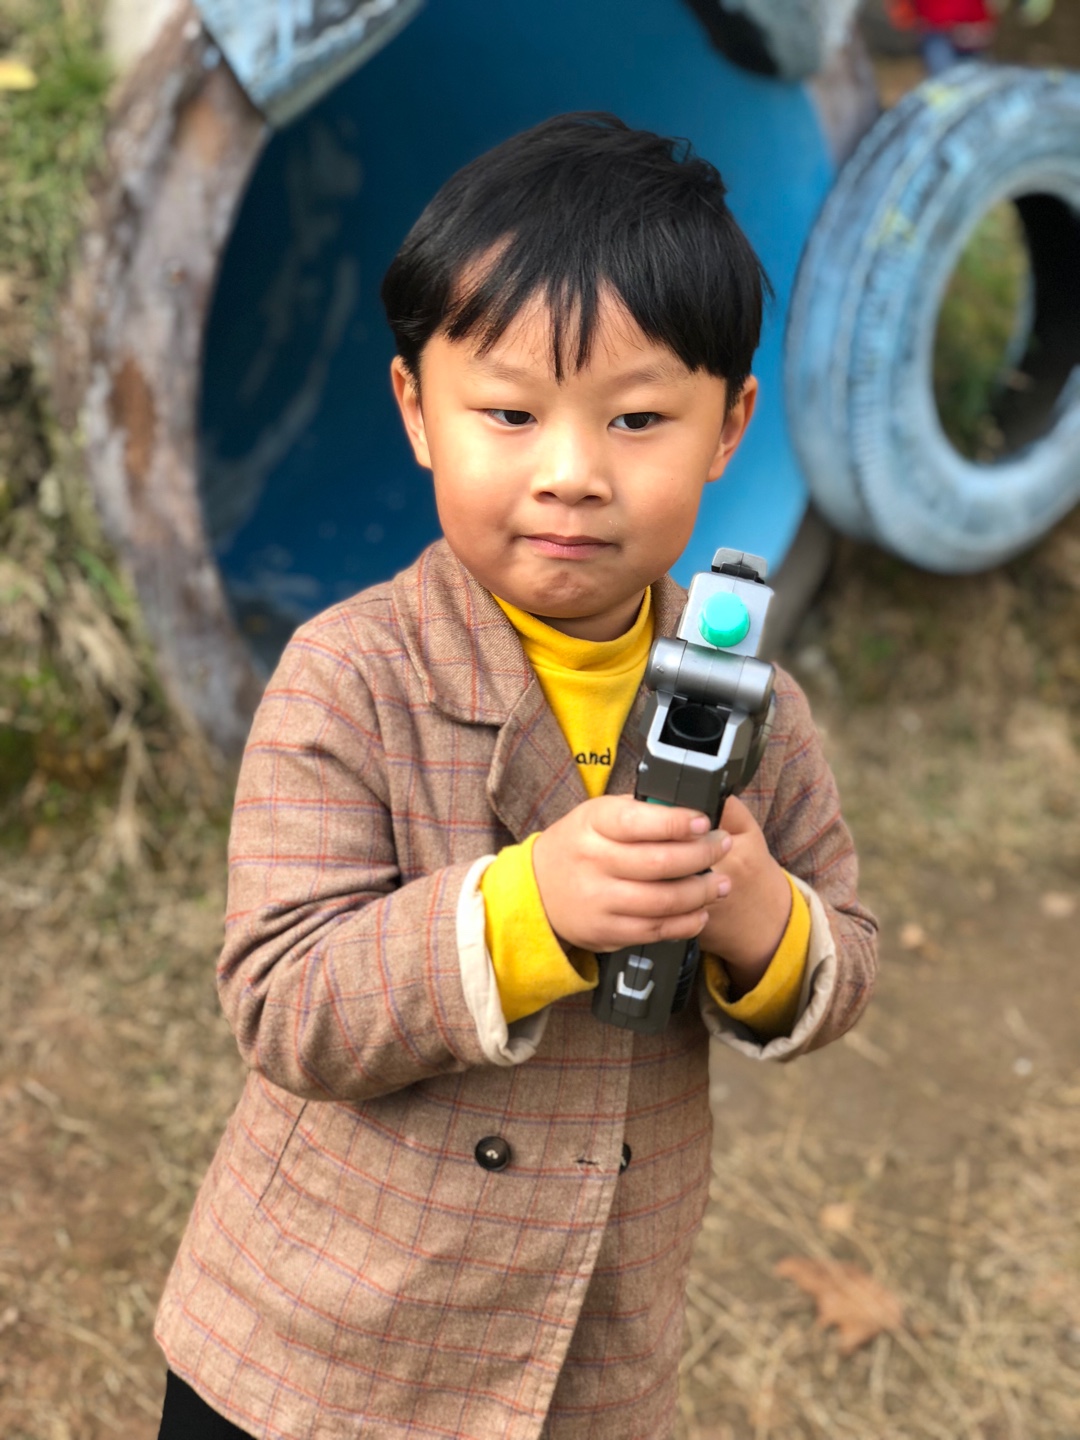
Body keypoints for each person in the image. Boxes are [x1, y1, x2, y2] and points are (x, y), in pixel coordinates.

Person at [153, 113, 878, 1440]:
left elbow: (847, 957)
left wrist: (760, 916)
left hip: (582, 1347)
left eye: (639, 418)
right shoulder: (353, 675)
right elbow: (282, 998)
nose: (572, 475)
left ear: (731, 426)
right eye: (509, 412)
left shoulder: (758, 709)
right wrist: (524, 907)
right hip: (320, 1348)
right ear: (416, 410)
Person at [888, 0, 1056, 75]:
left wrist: (984, 27)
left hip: (975, 34)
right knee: (944, 87)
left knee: (976, 86)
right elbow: (900, 10)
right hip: (936, 33)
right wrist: (908, 20)